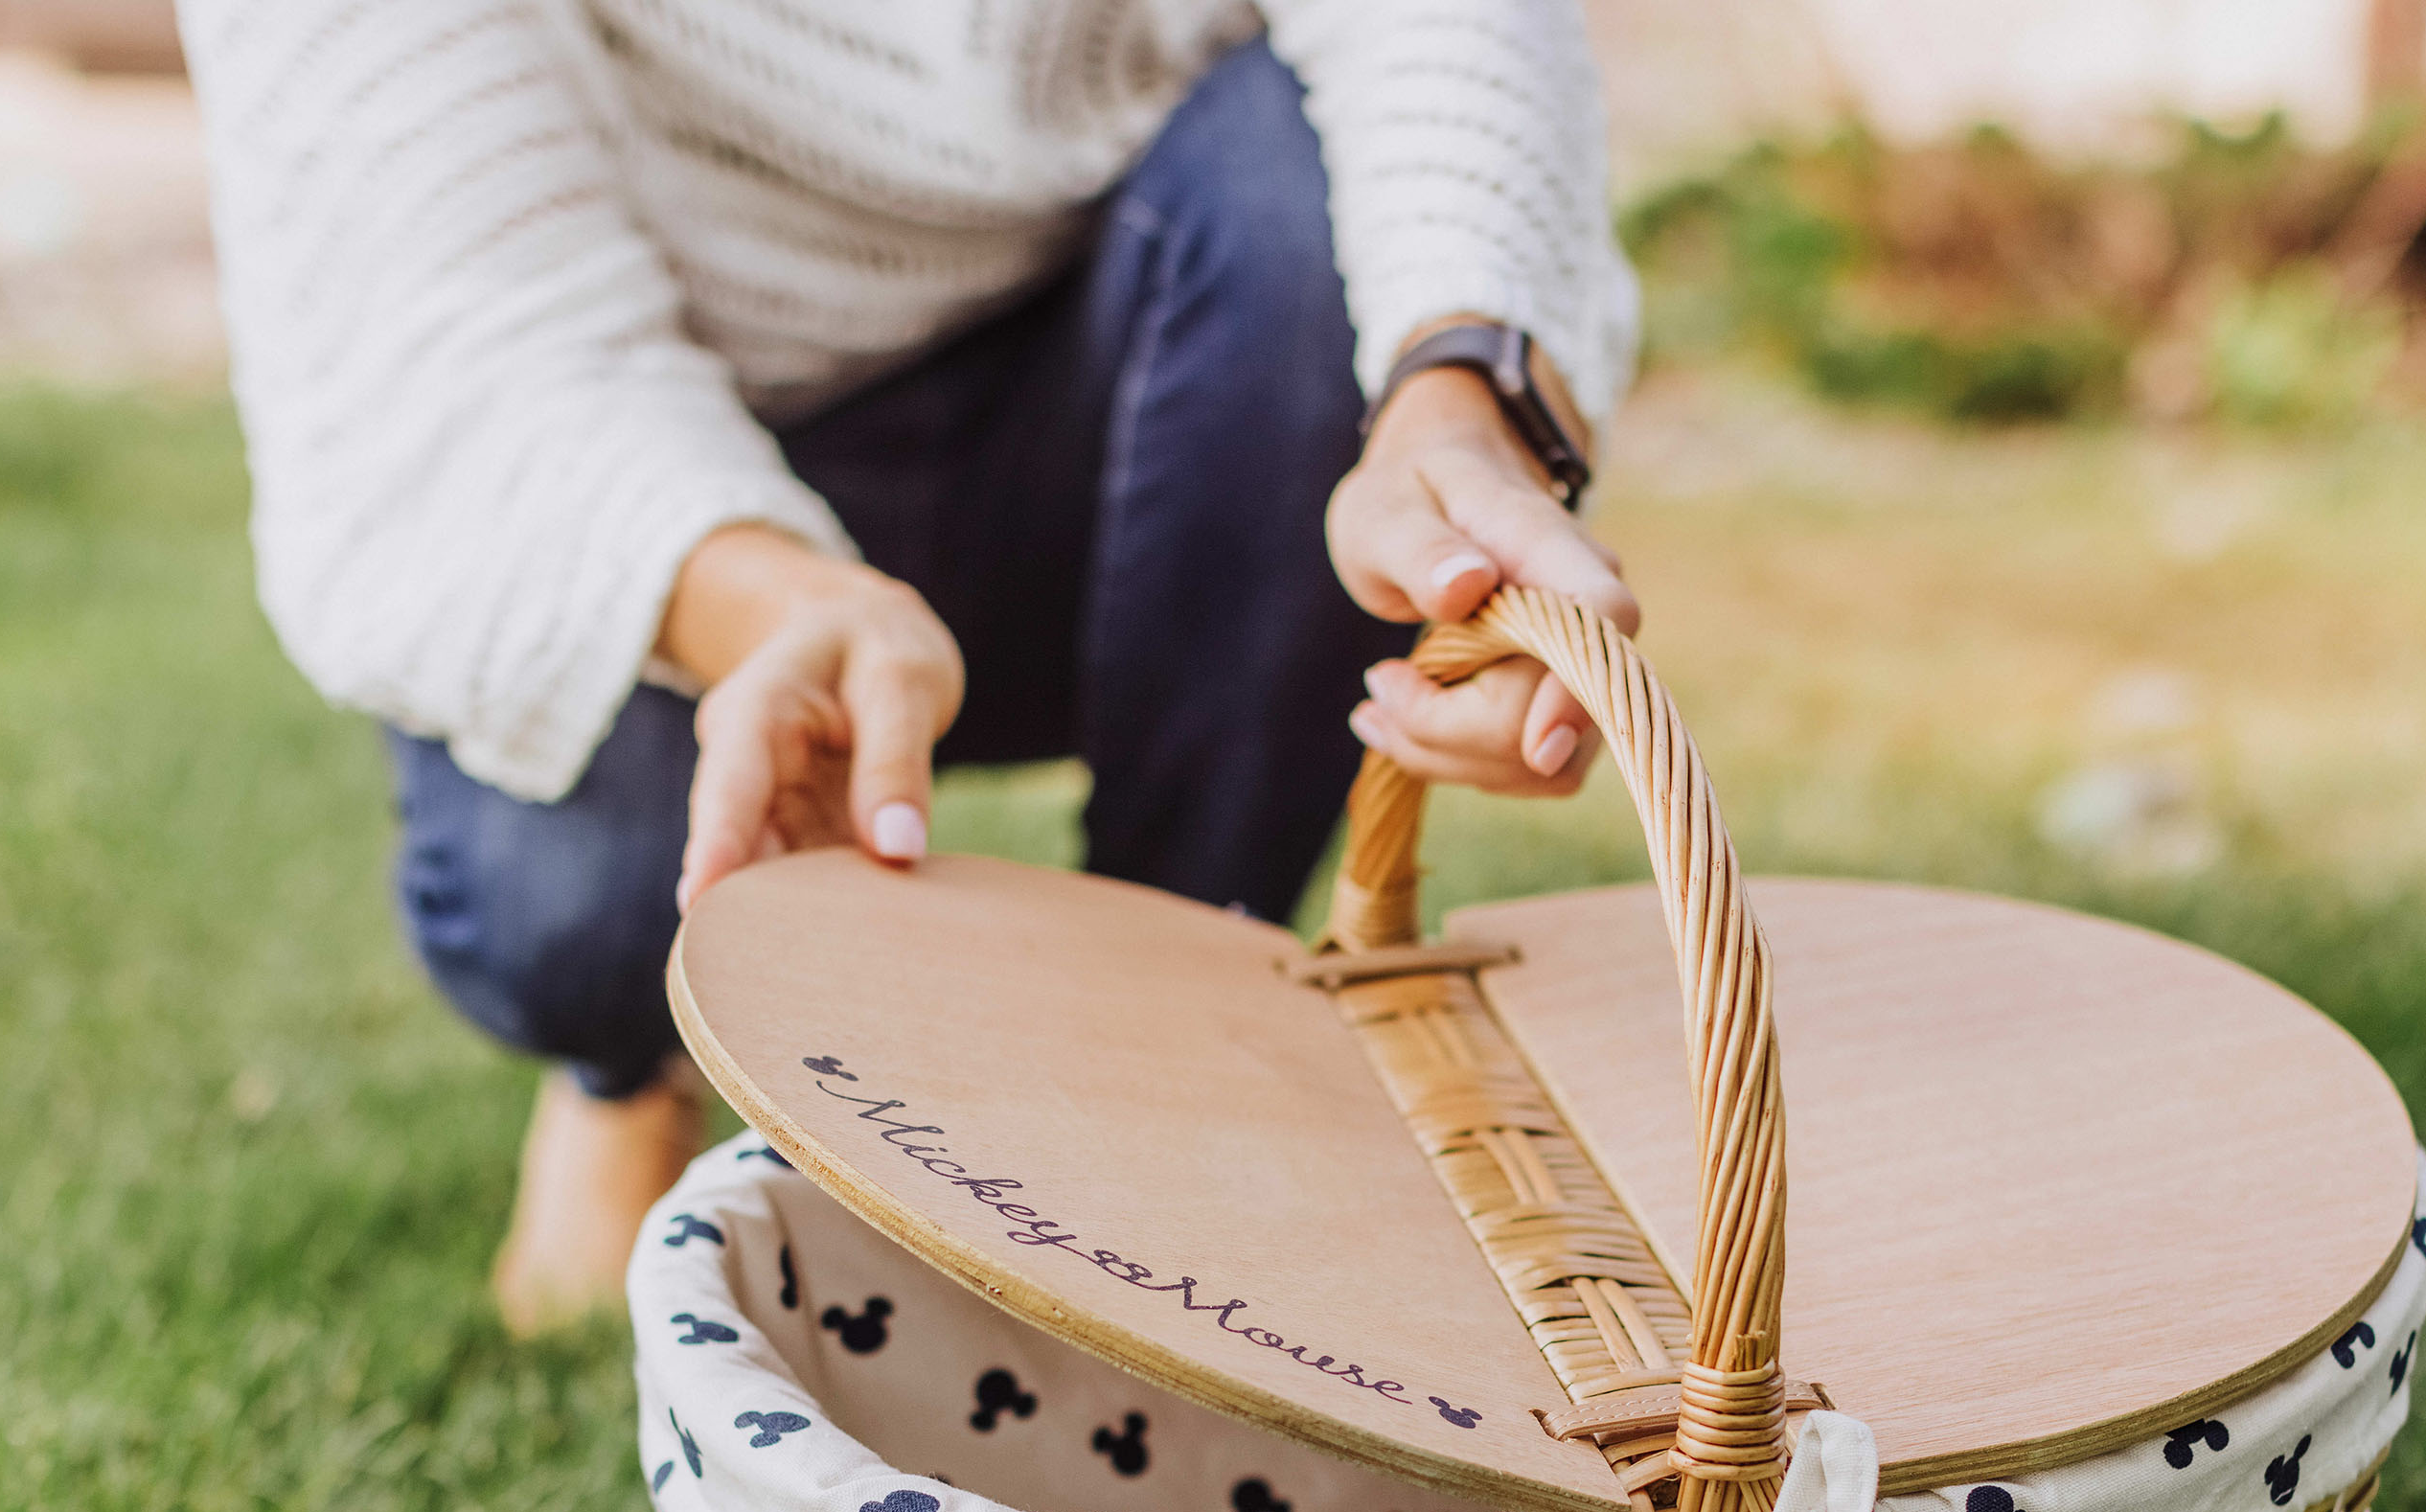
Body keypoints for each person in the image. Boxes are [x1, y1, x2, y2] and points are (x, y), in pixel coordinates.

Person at [178, 0, 1644, 1332]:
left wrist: (1451, 401)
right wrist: (772, 600)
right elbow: (459, 312)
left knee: (1298, 190)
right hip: (657, 430)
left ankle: (1163, 1071)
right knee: (572, 914)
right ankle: (632, 1065)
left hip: (1130, 346)